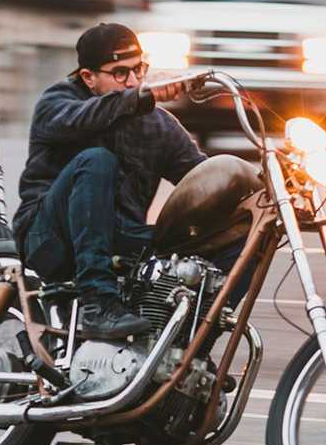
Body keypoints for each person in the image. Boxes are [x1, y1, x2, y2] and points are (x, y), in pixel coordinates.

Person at [12, 23, 205, 340]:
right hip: (50, 237)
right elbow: (83, 118)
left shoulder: (158, 124)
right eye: (120, 73)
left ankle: (189, 344)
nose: (132, 81)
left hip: (120, 237)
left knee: (221, 234)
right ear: (88, 77)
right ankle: (98, 304)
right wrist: (141, 96)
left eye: (138, 69)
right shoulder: (58, 102)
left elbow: (201, 179)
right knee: (97, 161)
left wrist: (263, 188)